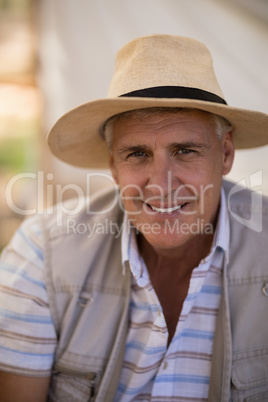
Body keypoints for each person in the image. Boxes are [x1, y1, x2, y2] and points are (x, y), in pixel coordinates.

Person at [0, 34, 268, 402]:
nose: (160, 184)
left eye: (185, 150)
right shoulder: (42, 254)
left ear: (225, 154)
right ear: (112, 165)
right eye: (137, 154)